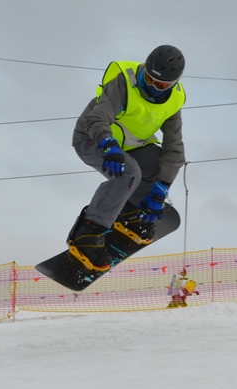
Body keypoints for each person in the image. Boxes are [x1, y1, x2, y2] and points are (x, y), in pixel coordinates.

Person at [66, 45, 187, 270]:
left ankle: (129, 212)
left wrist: (162, 188)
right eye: (149, 79)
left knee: (160, 166)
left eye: (161, 85)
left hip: (131, 146)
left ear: (172, 84)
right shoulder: (125, 82)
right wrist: (108, 144)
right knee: (128, 173)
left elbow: (174, 147)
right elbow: (97, 118)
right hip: (93, 139)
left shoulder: (174, 100)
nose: (152, 87)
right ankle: (88, 232)